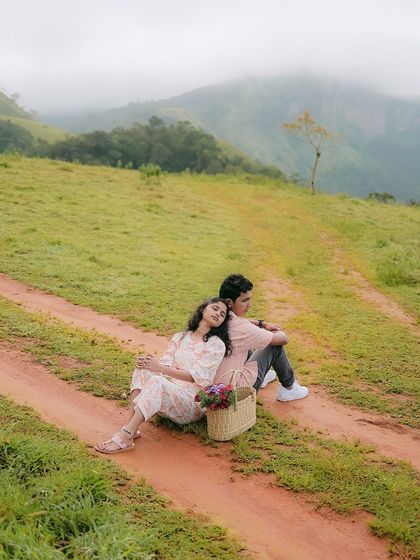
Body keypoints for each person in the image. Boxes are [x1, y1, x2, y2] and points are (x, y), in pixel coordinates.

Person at [95, 297, 231, 454]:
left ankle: (125, 437)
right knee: (143, 369)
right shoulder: (180, 337)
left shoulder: (216, 345)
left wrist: (159, 368)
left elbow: (196, 377)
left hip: (190, 404)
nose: (218, 314)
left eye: (222, 314)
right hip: (166, 392)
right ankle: (131, 429)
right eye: (215, 308)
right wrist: (149, 363)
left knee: (159, 380)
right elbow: (164, 365)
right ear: (203, 309)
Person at [216, 274, 308, 401]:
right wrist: (277, 333)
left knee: (244, 345)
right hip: (240, 392)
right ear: (229, 303)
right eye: (244, 300)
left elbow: (243, 323)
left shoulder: (216, 317)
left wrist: (262, 323)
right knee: (273, 345)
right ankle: (290, 387)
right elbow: (283, 339)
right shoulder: (242, 328)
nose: (250, 304)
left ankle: (262, 376)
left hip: (218, 389)